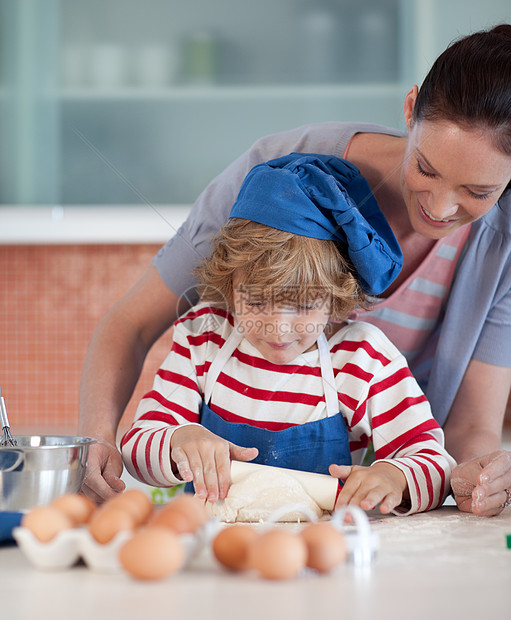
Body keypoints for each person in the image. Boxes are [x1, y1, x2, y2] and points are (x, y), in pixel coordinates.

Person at [79, 24, 511, 516]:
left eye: (477, 192)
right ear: (410, 108)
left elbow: (452, 441)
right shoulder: (206, 331)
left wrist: (446, 477)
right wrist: (160, 441)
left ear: (341, 299)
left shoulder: (362, 355)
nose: (439, 207)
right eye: (427, 169)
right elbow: (133, 346)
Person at [120, 154, 456, 515]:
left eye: (305, 304)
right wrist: (176, 440)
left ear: (336, 293)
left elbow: (436, 464)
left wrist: (395, 476)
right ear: (231, 285)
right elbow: (137, 446)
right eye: (258, 301)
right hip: (213, 551)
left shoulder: (362, 358)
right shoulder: (204, 337)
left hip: (320, 554)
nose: (278, 328)